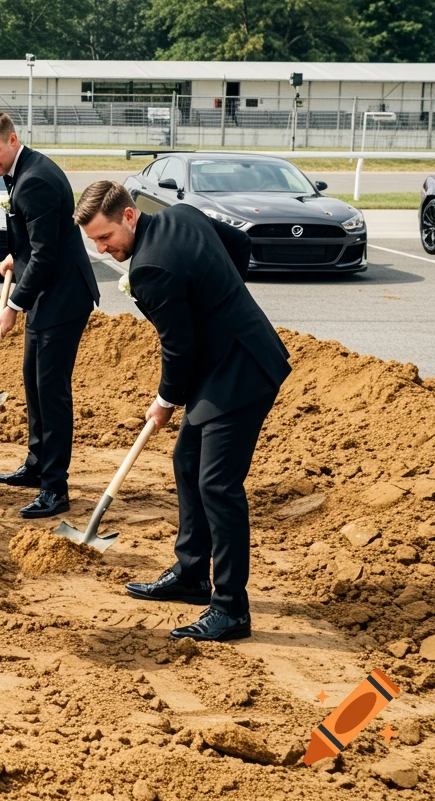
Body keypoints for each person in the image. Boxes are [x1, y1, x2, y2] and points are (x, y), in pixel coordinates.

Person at [76, 181, 291, 642]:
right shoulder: (182, 214)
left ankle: (231, 609)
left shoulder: (151, 268)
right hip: (226, 360)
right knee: (187, 461)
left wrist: (165, 400)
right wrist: (223, 302)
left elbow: (178, 348)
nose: (102, 248)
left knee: (218, 484)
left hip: (242, 373)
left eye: (106, 237)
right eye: (94, 241)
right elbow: (239, 243)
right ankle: (193, 574)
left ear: (129, 216)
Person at [0, 111, 99, 518]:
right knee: (33, 382)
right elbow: (37, 241)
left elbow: (46, 255)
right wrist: (16, 255)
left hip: (61, 298)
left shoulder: (36, 180)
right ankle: (36, 463)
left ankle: (55, 489)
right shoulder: (22, 169)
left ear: (12, 140)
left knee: (52, 393)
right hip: (46, 291)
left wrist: (12, 306)